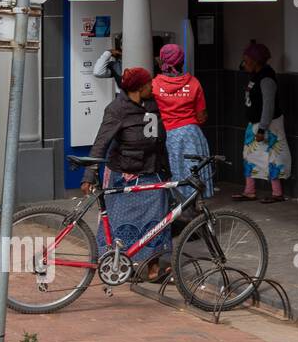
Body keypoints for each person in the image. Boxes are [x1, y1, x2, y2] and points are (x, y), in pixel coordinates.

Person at [82, 67, 173, 282]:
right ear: (139, 88)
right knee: (119, 223)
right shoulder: (117, 109)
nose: (153, 87)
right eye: (149, 84)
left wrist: (166, 171)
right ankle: (117, 264)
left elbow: (161, 141)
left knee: (156, 222)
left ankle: (153, 269)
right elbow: (101, 143)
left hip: (151, 173)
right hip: (124, 175)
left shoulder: (152, 105)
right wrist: (89, 174)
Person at [151, 43, 213, 202]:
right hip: (191, 136)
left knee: (172, 175)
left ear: (162, 61)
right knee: (193, 175)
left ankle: (175, 214)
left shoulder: (154, 85)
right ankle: (197, 216)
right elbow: (201, 116)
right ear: (181, 61)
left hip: (167, 137)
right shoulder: (194, 83)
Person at [236, 41, 291, 203]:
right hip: (254, 122)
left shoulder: (267, 79)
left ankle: (277, 193)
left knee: (273, 156)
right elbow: (241, 67)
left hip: (269, 123)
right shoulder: (255, 74)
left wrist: (262, 129)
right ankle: (249, 191)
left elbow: (268, 105)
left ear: (256, 61)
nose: (244, 63)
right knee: (249, 155)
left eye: (247, 60)